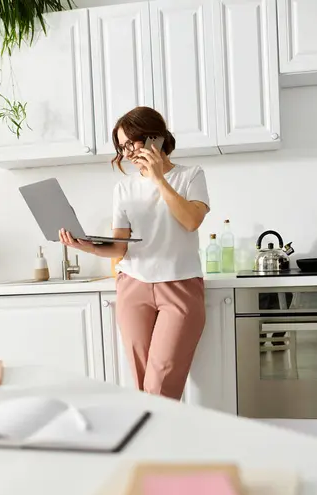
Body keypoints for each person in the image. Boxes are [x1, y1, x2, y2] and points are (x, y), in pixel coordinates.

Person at [59, 106, 210, 400]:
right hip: (133, 286)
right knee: (143, 388)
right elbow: (119, 246)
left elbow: (191, 221)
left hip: (180, 285)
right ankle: (150, 443)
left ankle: (157, 441)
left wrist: (158, 179)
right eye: (122, 146)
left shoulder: (191, 176)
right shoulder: (124, 188)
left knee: (160, 384)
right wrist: (83, 245)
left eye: (132, 143)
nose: (127, 153)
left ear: (156, 138)